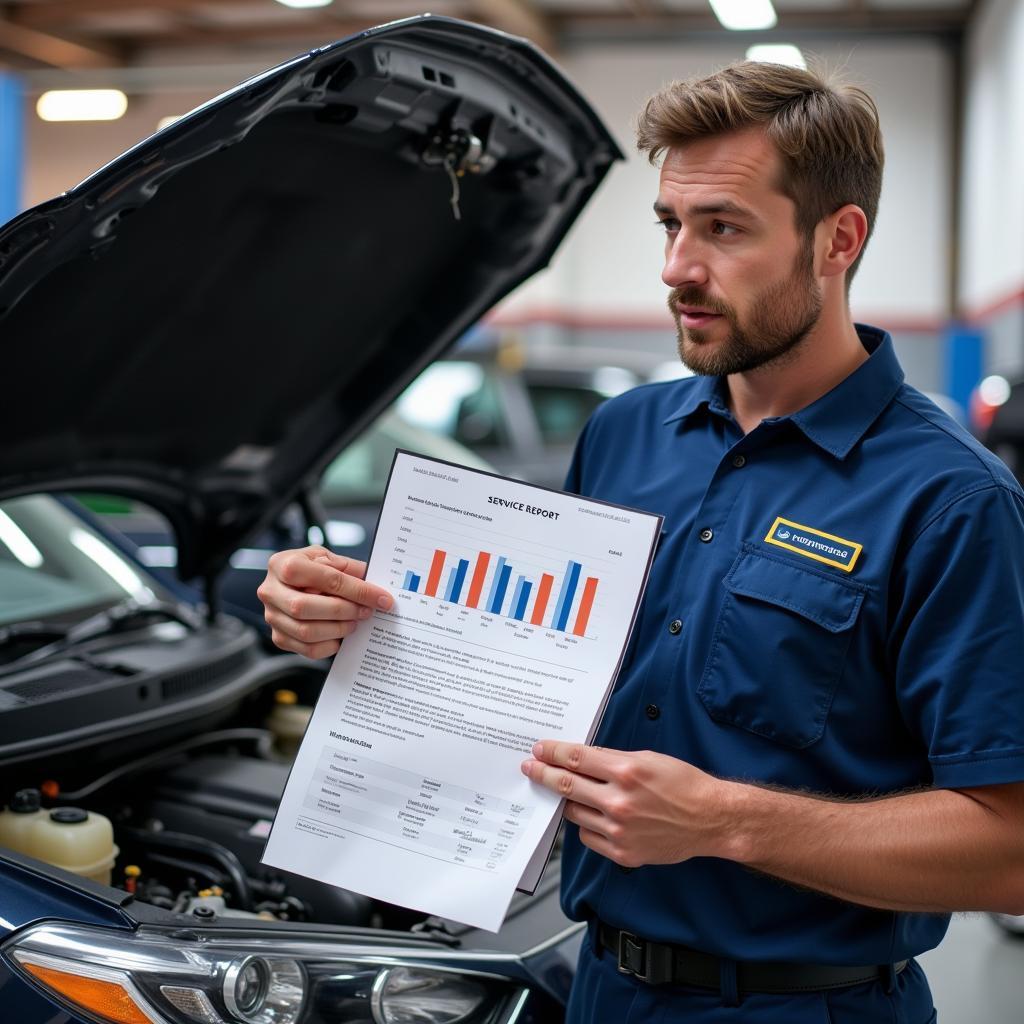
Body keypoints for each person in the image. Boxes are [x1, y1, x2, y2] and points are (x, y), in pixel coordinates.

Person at [257, 61, 1024, 1022]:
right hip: (599, 988)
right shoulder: (625, 434)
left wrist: (728, 823)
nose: (676, 270)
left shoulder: (950, 499)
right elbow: (544, 666)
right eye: (671, 224)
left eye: (724, 229)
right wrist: (355, 613)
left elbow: (1009, 849)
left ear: (839, 239)